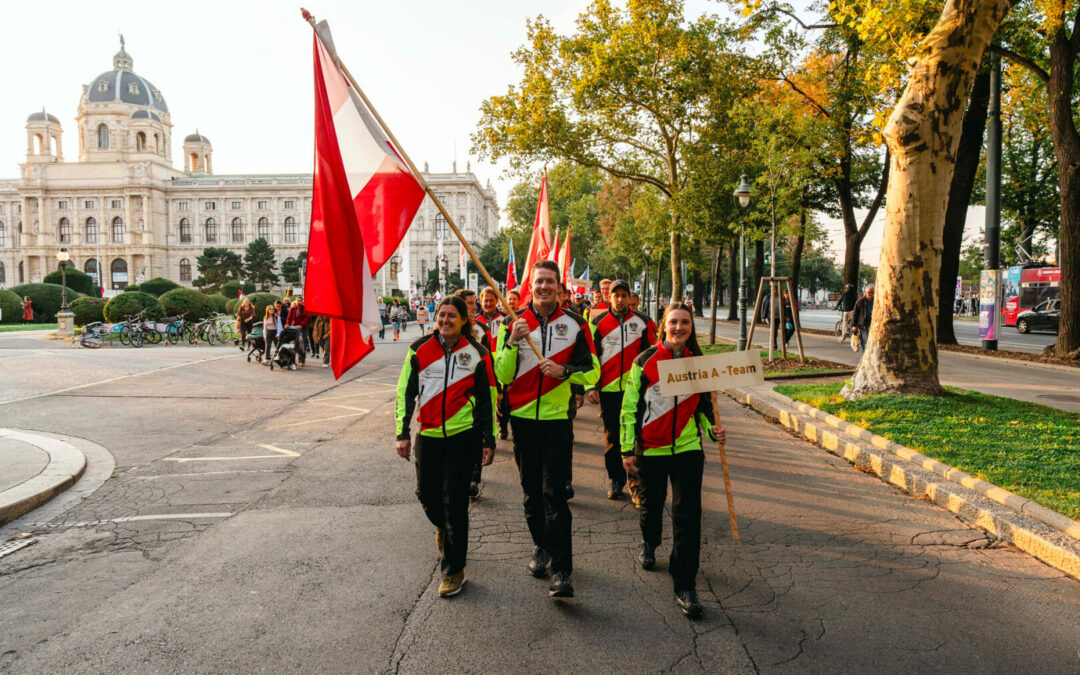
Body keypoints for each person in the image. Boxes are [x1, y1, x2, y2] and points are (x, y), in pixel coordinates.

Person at [495, 260, 599, 599]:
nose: (543, 287)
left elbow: (593, 372)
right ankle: (540, 546)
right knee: (531, 493)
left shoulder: (576, 325)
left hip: (556, 421)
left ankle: (562, 570)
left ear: (558, 286)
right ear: (531, 285)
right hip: (523, 422)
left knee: (555, 493)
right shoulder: (513, 324)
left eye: (549, 282)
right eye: (538, 281)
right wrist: (512, 342)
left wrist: (565, 371)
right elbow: (503, 376)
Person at [620, 303, 725, 619]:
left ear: (691, 328)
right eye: (674, 322)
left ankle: (685, 584)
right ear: (663, 326)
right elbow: (629, 409)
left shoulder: (699, 363)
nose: (679, 328)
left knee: (688, 515)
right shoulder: (645, 361)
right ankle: (650, 543)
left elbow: (705, 409)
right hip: (651, 449)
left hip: (688, 449)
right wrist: (627, 449)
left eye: (685, 323)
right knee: (652, 505)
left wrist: (712, 429)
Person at [395, 295, 496, 598]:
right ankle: (443, 527)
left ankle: (454, 570)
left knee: (456, 503)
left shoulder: (477, 353)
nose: (445, 321)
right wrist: (402, 432)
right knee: (426, 494)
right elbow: (405, 391)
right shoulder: (418, 349)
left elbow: (487, 399)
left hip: (462, 437)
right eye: (442, 315)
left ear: (464, 320)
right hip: (428, 435)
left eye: (452, 316)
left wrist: (488, 440)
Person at [587, 279, 658, 503]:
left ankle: (636, 482)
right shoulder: (597, 323)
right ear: (609, 297)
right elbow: (591, 357)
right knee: (613, 438)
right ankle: (616, 479)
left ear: (629, 297)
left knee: (637, 436)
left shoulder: (644, 322)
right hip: (609, 391)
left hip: (637, 391)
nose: (619, 299)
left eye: (623, 295)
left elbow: (653, 355)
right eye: (615, 295)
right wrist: (591, 385)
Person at [454, 289, 491, 499]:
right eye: (469, 303)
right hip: (454, 397)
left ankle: (474, 478)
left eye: (475, 303)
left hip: (475, 394)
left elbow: (487, 363)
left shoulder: (482, 330)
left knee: (476, 436)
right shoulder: (446, 328)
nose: (474, 307)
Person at [851, 284, 875, 353]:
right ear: (865, 292)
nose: (870, 294)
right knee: (865, 344)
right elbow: (855, 314)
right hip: (864, 326)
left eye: (872, 293)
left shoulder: (876, 301)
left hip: (873, 325)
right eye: (868, 292)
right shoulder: (860, 302)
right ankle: (865, 358)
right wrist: (854, 325)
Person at [285, 298, 309, 366]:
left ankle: (302, 359)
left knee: (302, 344)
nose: (299, 302)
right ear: (296, 301)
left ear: (302, 302)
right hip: (294, 328)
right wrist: (287, 324)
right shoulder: (293, 309)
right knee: (295, 343)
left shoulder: (305, 309)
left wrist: (301, 325)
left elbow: (306, 319)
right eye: (298, 301)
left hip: (303, 329)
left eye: (300, 301)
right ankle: (294, 359)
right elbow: (289, 318)